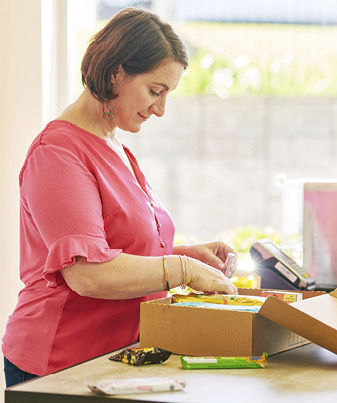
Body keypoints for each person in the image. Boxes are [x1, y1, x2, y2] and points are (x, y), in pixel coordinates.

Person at [2, 7, 238, 387]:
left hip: (116, 359)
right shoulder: (58, 153)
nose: (160, 109)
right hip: (61, 362)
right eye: (155, 91)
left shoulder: (116, 148)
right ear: (116, 73)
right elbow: (88, 273)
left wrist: (188, 253)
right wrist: (183, 269)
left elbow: (117, 248)